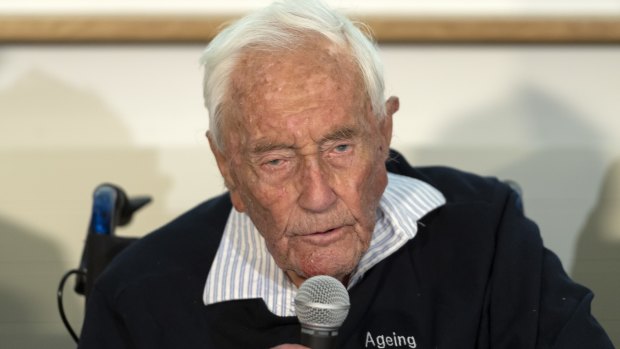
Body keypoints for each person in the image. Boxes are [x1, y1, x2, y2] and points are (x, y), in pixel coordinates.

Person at [78, 1, 614, 348]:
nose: (316, 195)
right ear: (227, 167)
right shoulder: (139, 298)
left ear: (383, 135)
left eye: (340, 146)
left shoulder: (486, 235)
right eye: (275, 160)